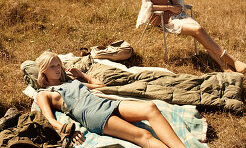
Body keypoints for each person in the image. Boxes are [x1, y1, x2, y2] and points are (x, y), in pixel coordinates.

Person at [35, 51, 186, 148]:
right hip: (92, 114)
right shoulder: (44, 93)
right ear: (43, 70)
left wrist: (81, 74)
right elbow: (49, 119)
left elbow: (100, 85)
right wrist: (68, 131)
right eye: (52, 67)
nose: (57, 69)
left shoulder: (70, 82)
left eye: (58, 65)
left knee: (150, 107)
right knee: (143, 135)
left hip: (104, 103)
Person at [136, 0, 246, 74]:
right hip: (163, 20)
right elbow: (147, 6)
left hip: (179, 16)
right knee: (198, 29)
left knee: (201, 34)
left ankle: (224, 66)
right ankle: (233, 61)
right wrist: (169, 7)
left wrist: (178, 5)